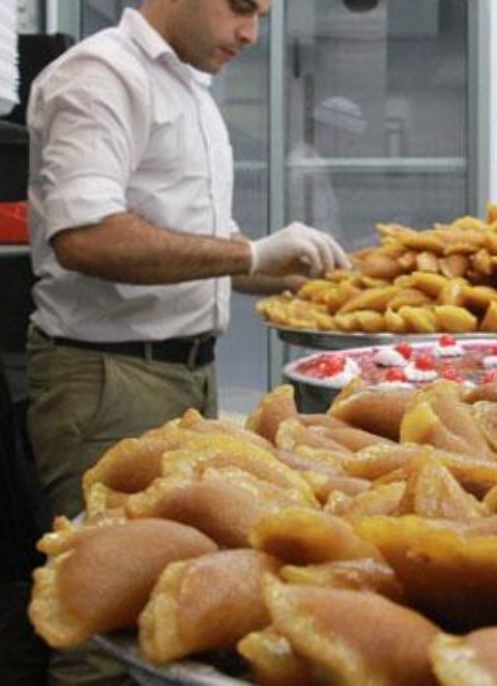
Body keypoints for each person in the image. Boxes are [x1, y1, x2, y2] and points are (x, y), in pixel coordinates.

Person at [25, 0, 348, 523]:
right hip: (113, 383)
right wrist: (251, 253)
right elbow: (86, 237)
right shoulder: (101, 76)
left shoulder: (187, 89)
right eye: (242, 9)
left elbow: (192, 242)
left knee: (176, 563)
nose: (251, 34)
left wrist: (291, 274)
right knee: (111, 568)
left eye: (262, 17)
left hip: (188, 375)